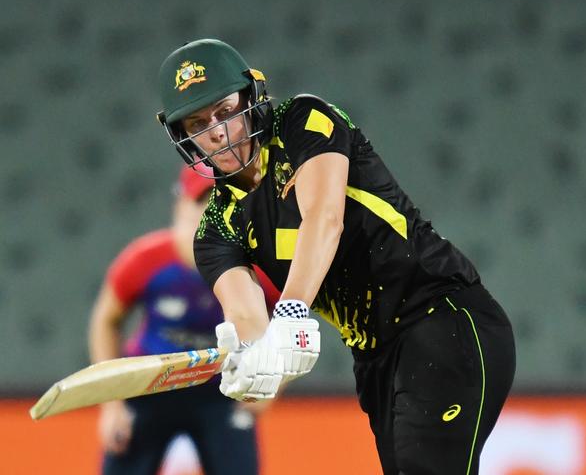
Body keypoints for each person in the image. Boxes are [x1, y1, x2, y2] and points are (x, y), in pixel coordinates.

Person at [156, 38, 516, 475]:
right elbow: (247, 314)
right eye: (198, 122)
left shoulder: (302, 121)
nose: (216, 130)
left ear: (250, 97)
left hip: (443, 317)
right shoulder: (215, 229)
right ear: (181, 136)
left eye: (226, 110)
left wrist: (290, 313)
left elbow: (324, 218)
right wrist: (252, 363)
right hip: (376, 359)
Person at [88, 162, 279, 475]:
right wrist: (112, 404)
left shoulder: (261, 267)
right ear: (180, 206)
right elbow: (105, 320)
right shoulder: (146, 260)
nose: (210, 217)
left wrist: (270, 385)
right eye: (201, 203)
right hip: (148, 387)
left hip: (222, 390)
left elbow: (287, 329)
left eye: (224, 204)